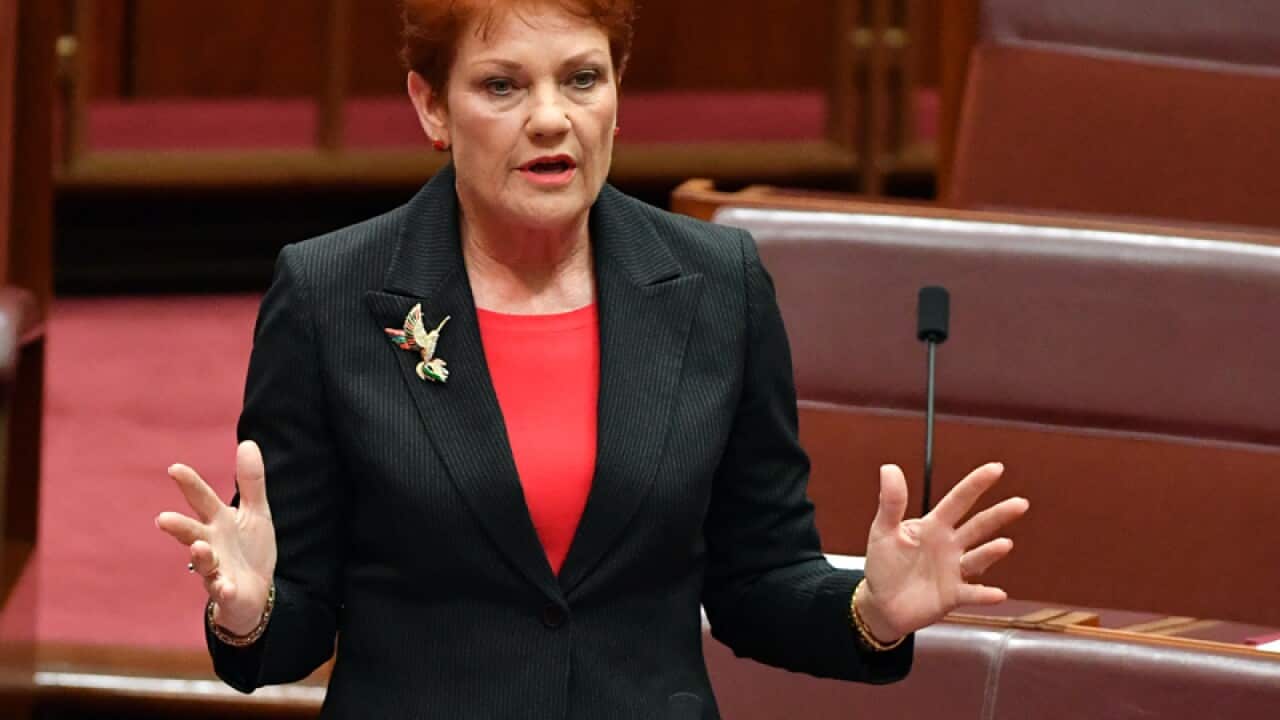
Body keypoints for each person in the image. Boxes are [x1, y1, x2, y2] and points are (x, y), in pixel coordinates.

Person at [154, 1, 1029, 717]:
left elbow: (756, 578)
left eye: (582, 79)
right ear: (431, 107)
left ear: (617, 93)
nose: (550, 117)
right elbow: (292, 621)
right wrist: (247, 612)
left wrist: (868, 614)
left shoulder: (716, 284)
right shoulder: (330, 293)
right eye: (502, 85)